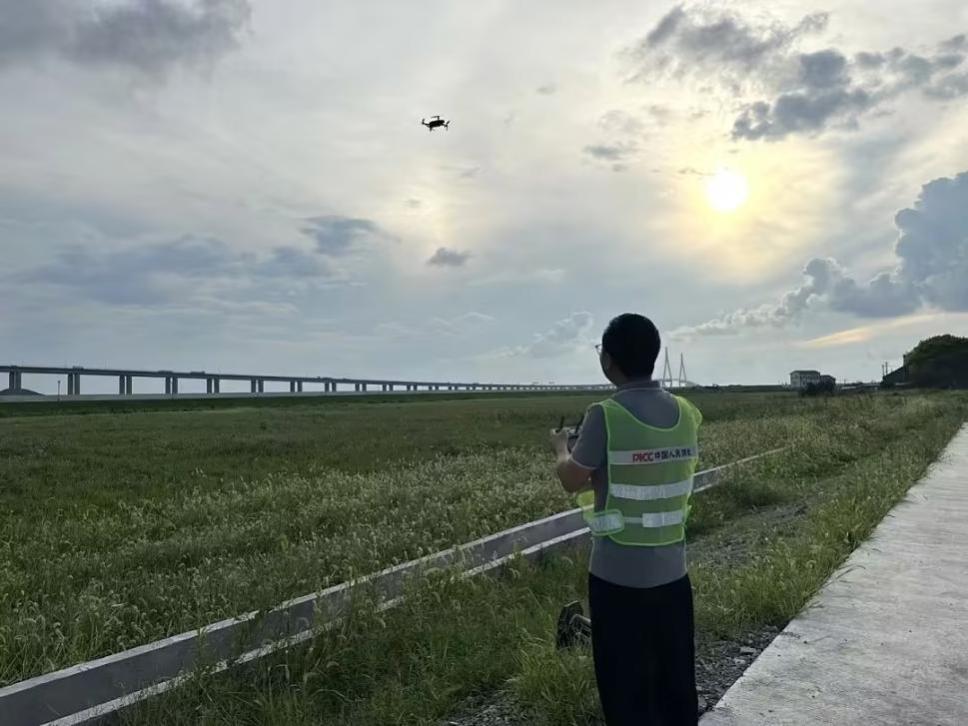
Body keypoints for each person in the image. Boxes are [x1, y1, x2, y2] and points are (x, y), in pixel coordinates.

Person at [550, 313, 702, 726]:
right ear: (653, 356)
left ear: (609, 361)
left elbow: (571, 480)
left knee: (625, 690)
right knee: (675, 687)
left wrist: (562, 447)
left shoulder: (604, 415)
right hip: (673, 572)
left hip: (617, 576)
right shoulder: (688, 412)